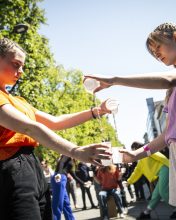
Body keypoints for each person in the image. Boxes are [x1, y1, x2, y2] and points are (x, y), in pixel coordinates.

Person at [85, 22, 176, 220]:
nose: (156, 53)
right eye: (152, 51)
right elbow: (167, 134)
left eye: (158, 46)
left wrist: (114, 79)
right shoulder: (173, 90)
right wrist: (134, 155)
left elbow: (167, 79)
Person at [0, 38, 112, 220]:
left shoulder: (19, 101)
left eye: (22, 66)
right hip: (11, 169)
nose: (20, 71)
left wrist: (97, 111)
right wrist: (76, 151)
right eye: (15, 64)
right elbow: (29, 128)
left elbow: (56, 121)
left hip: (31, 166)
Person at [126, 142, 176, 219]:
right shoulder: (140, 161)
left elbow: (161, 157)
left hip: (165, 168)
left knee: (163, 191)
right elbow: (136, 172)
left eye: (133, 150)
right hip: (161, 173)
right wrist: (128, 182)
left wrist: (172, 167)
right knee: (155, 195)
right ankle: (146, 213)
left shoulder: (146, 150)